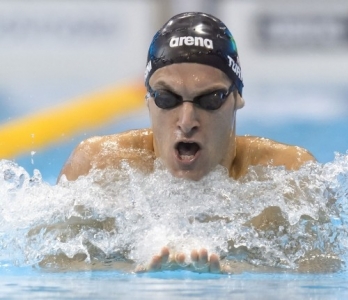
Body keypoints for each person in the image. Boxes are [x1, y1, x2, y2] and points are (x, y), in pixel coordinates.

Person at [58, 12, 316, 273]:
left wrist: (237, 273)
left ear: (237, 98)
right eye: (167, 98)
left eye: (210, 99)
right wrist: (130, 272)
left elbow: (321, 268)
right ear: (148, 100)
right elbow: (55, 263)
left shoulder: (289, 177)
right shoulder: (98, 167)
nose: (186, 120)